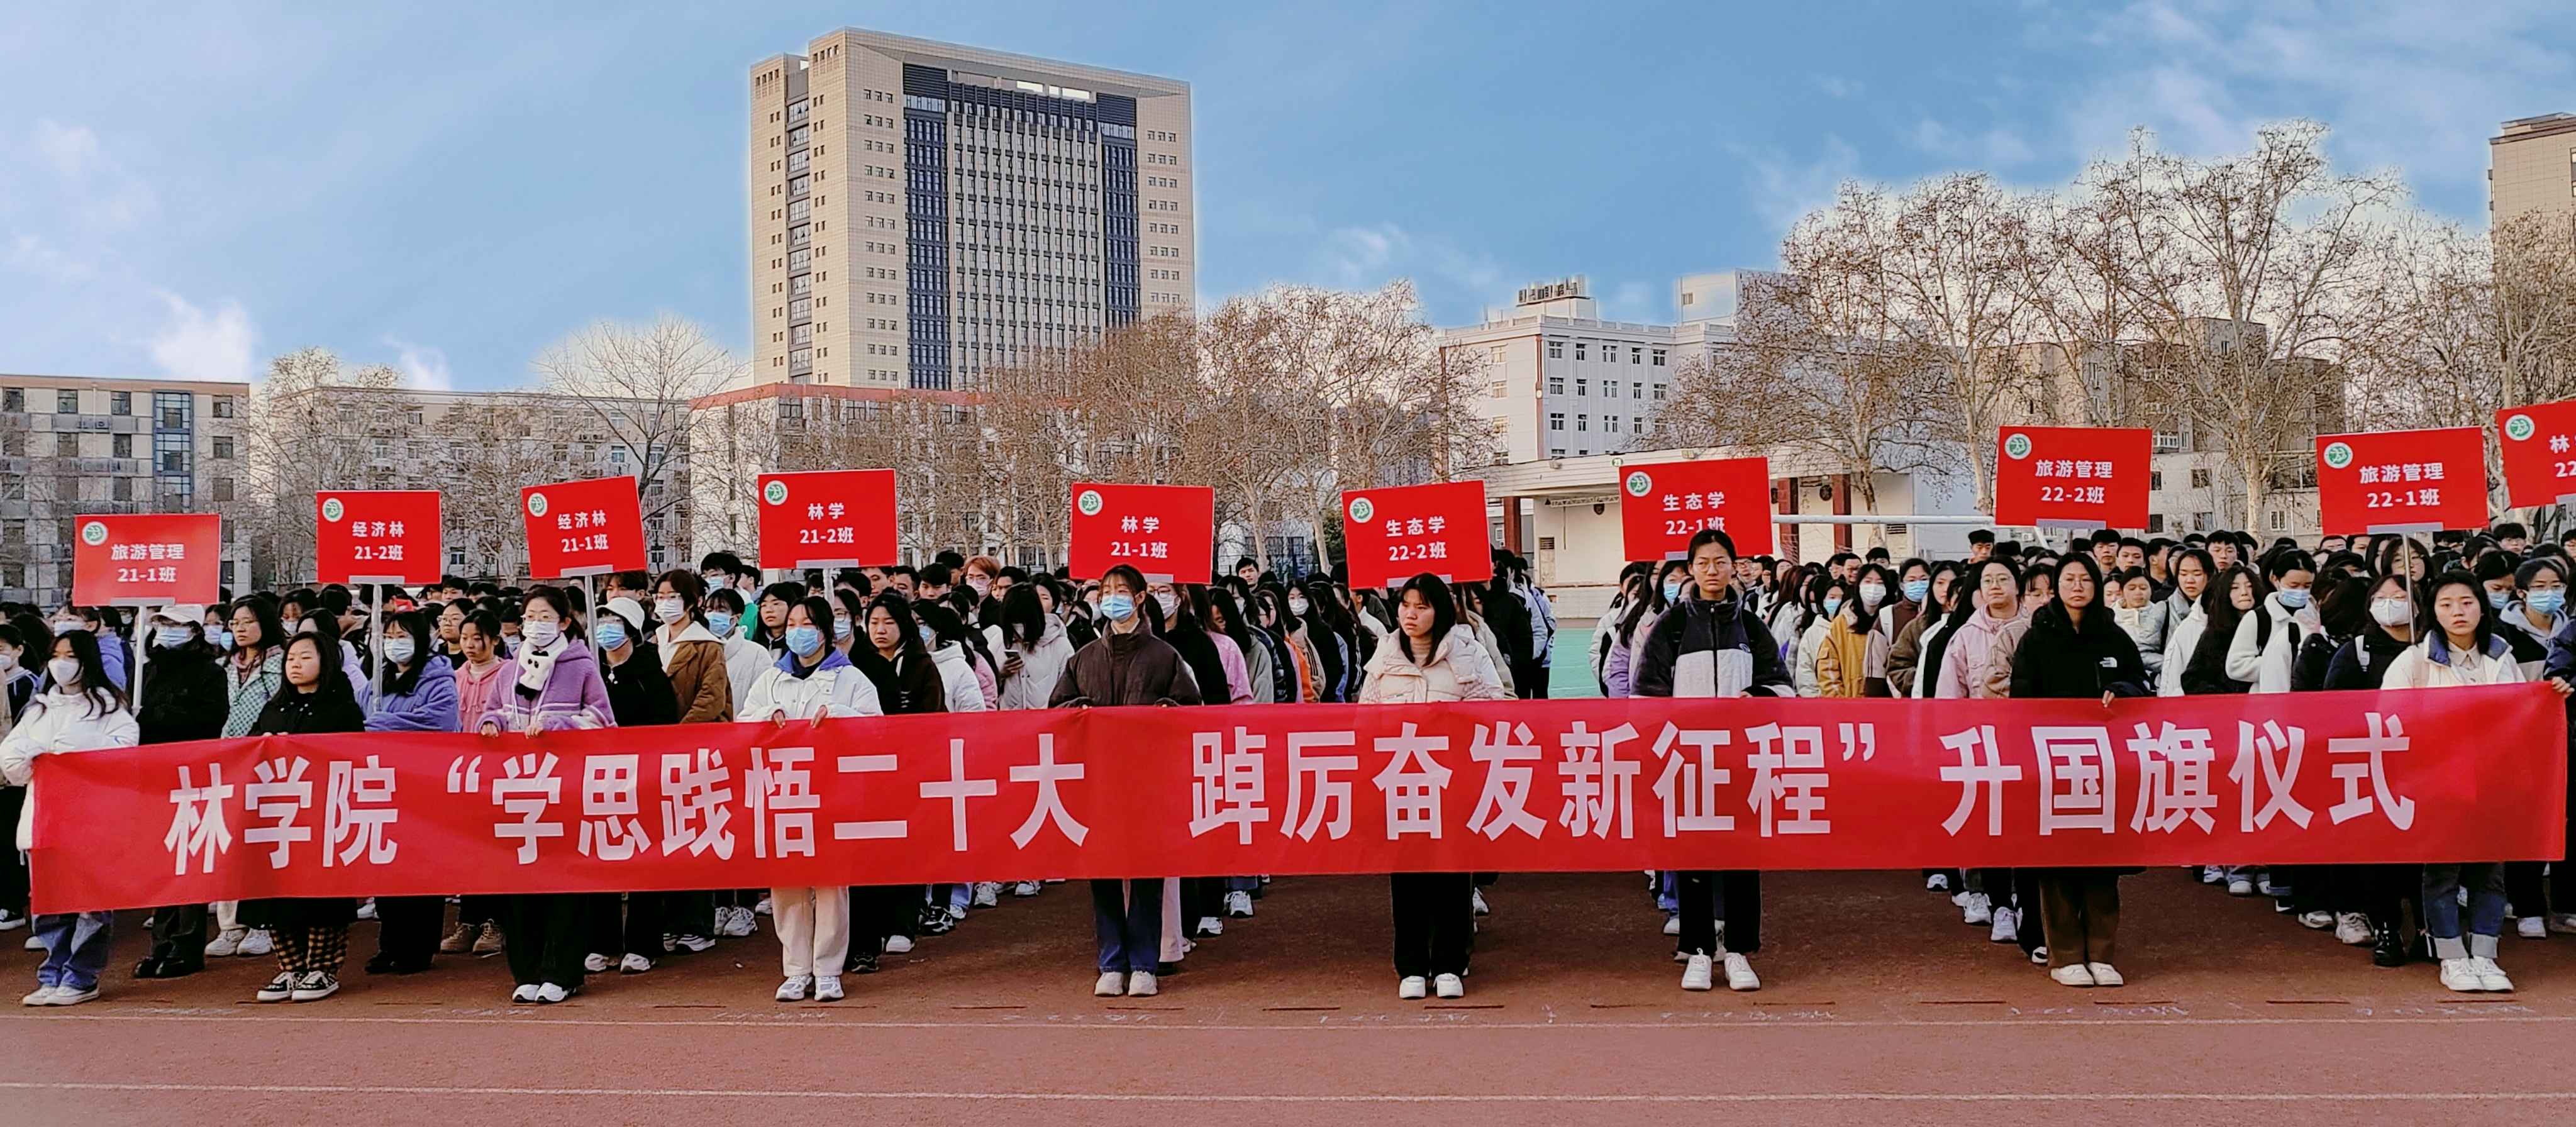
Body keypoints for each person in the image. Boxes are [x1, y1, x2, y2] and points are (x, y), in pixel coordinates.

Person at [2385, 570, 2563, 992]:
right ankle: (2452, 957)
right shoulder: (2414, 660)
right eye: (2446, 604)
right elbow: (2390, 718)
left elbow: (2522, 714)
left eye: (2466, 602)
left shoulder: (2501, 655)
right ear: (2433, 612)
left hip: (2495, 781)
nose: (2458, 612)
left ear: (2482, 608)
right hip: (2440, 783)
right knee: (2443, 872)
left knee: (2490, 871)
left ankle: (2485, 955)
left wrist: (2551, 694)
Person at [1632, 529, 1792, 993]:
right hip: (1689, 762)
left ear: (1733, 567)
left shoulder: (1752, 627)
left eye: (1721, 562)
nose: (1712, 571)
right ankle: (1699, 950)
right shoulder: (1672, 626)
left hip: (1742, 762)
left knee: (1742, 856)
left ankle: (1738, 951)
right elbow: (1644, 695)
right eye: (1703, 563)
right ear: (1692, 569)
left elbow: (1782, 687)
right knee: (1693, 856)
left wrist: (1756, 697)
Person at [1052, 565, 1201, 998]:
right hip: (1098, 782)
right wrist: (1080, 712)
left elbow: (1191, 709)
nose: (1111, 598)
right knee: (1102, 871)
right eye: (1106, 591)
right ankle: (1111, 961)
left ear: (1138, 599)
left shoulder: (1164, 656)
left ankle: (1144, 963)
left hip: (1148, 783)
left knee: (1147, 873)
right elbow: (1057, 710)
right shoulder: (1083, 659)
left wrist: (1166, 713)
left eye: (1121, 591)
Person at [1358, 574, 1509, 1000]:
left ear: (1440, 611)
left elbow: (1493, 710)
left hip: (1452, 783)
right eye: (1405, 605)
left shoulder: (1468, 652)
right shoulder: (1385, 655)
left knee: (1451, 876)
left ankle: (1449, 963)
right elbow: (1366, 718)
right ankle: (1410, 966)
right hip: (1401, 782)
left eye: (1421, 606)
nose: (1411, 614)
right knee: (1406, 877)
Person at [2009, 555, 2150, 989]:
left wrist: (2121, 690)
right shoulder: (2036, 639)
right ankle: (2065, 955)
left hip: (2106, 765)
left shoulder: (2114, 636)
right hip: (2054, 765)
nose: (2077, 586)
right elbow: (2021, 702)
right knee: (2057, 864)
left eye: (2085, 579)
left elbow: (2140, 683)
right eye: (2069, 579)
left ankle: (2102, 953)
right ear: (2056, 586)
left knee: (2102, 863)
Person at [740, 594, 884, 1002]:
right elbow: (742, 724)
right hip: (784, 794)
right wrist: (766, 717)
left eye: (807, 625)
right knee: (787, 884)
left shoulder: (852, 680)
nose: (797, 633)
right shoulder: (771, 679)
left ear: (824, 632)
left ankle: (828, 970)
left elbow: (877, 730)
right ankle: (796, 969)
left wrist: (839, 714)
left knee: (831, 884)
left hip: (832, 794)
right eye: (792, 625)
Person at [479, 587, 613, 1004]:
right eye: (530, 616)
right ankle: (527, 969)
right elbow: (495, 709)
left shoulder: (582, 666)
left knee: (565, 882)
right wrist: (490, 722)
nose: (535, 624)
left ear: (564, 622)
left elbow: (603, 720)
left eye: (545, 616)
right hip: (518, 789)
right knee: (521, 882)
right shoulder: (510, 668)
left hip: (564, 789)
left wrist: (561, 726)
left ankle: (563, 971)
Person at [3, 629, 138, 1006]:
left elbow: (123, 753)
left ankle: (81, 977)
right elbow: (12, 758)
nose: (61, 664)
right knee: (49, 903)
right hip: (44, 820)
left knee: (91, 905)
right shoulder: (39, 709)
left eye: (70, 656)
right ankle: (53, 973)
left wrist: (72, 753)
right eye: (55, 656)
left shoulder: (110, 708)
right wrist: (32, 754)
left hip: (92, 822)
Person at [240, 631, 369, 1003]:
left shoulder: (342, 711)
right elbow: (247, 752)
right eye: (291, 658)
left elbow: (351, 760)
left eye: (305, 657)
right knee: (275, 892)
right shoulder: (274, 709)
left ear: (326, 662)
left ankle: (323, 968)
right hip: (277, 817)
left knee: (320, 893)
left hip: (321, 818)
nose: (295, 664)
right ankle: (292, 967)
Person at [358, 609, 456, 975]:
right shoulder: (377, 682)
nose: (393, 644)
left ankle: (419, 947)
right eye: (388, 637)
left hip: (424, 786)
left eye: (402, 636)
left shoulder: (439, 679)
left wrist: (383, 723)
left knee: (422, 868)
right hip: (383, 784)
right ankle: (391, 944)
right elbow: (357, 719)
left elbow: (439, 721)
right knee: (388, 867)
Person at [132, 605, 227, 979]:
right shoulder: (147, 670)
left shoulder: (210, 673)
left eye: (176, 624)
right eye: (162, 622)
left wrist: (159, 716)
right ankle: (161, 943)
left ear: (193, 630)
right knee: (159, 861)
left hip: (191, 776)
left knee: (189, 859)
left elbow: (210, 721)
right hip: (152, 776)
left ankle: (187, 945)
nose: (167, 629)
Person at [205, 596, 288, 960]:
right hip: (227, 763)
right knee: (228, 842)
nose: (239, 629)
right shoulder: (224, 667)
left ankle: (262, 924)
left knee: (263, 843)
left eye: (247, 622)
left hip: (267, 766)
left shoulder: (281, 664)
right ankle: (230, 925)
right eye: (234, 623)